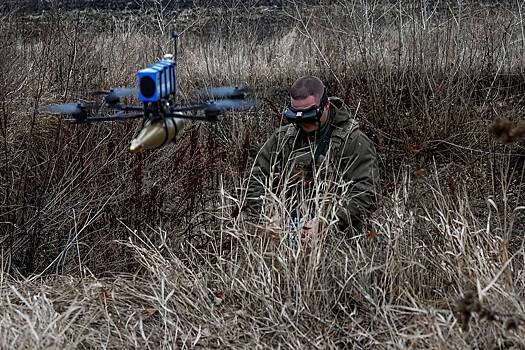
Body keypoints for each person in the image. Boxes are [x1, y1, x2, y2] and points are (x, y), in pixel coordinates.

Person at [244, 76, 379, 236]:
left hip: (339, 238)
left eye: (310, 115)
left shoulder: (353, 141)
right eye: (297, 116)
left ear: (326, 104)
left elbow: (367, 193)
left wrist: (328, 223)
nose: (304, 122)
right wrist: (269, 214)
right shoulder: (283, 138)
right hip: (285, 232)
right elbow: (255, 178)